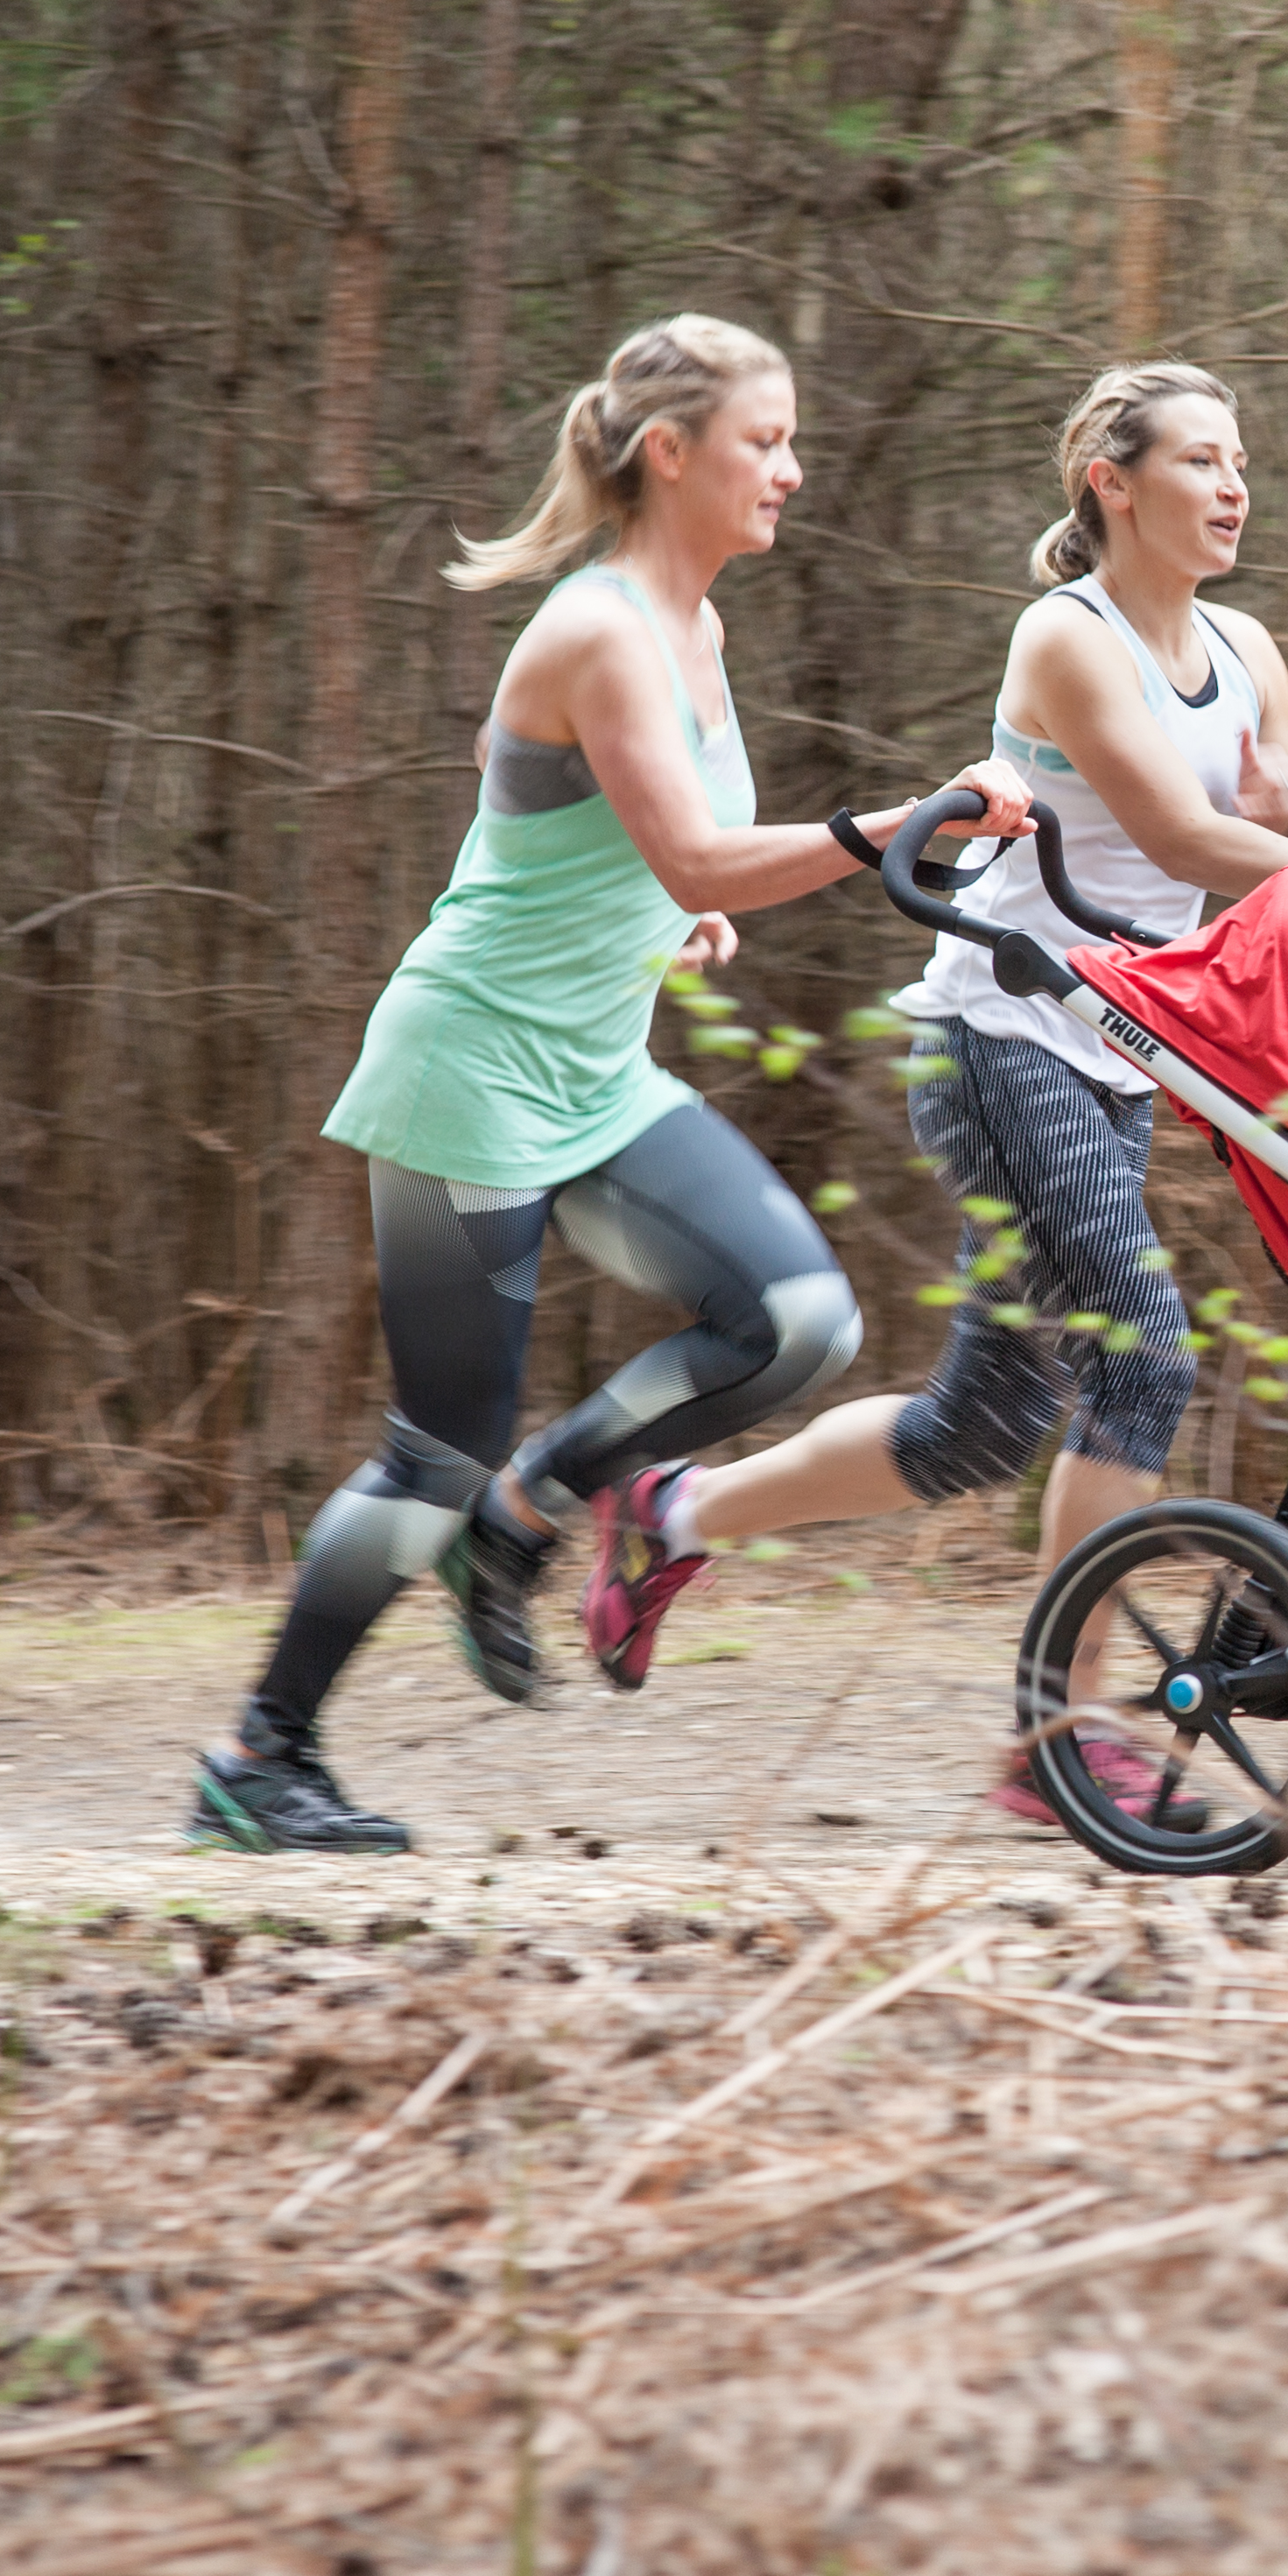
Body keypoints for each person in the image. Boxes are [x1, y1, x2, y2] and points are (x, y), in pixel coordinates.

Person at [568, 362, 1288, 1827]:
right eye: (1202, 459)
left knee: (979, 1430)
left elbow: (1284, 826)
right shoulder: (1064, 637)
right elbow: (1175, 830)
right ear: (1112, 483)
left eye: (1242, 459)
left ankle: (664, 1512)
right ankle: (1057, 1734)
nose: (1236, 484)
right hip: (1002, 1039)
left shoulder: (1251, 648)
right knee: (1143, 1354)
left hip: (1121, 1047)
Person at [185, 315, 1037, 1857]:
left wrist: (669, 906)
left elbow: (608, 831)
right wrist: (902, 820)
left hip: (595, 1075)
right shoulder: (597, 628)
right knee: (431, 1447)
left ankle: (527, 1516)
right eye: (764, 440)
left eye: (789, 440)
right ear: (671, 453)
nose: (792, 467)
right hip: (469, 1082)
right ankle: (262, 1753)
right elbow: (701, 843)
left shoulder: (692, 630)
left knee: (799, 1322)